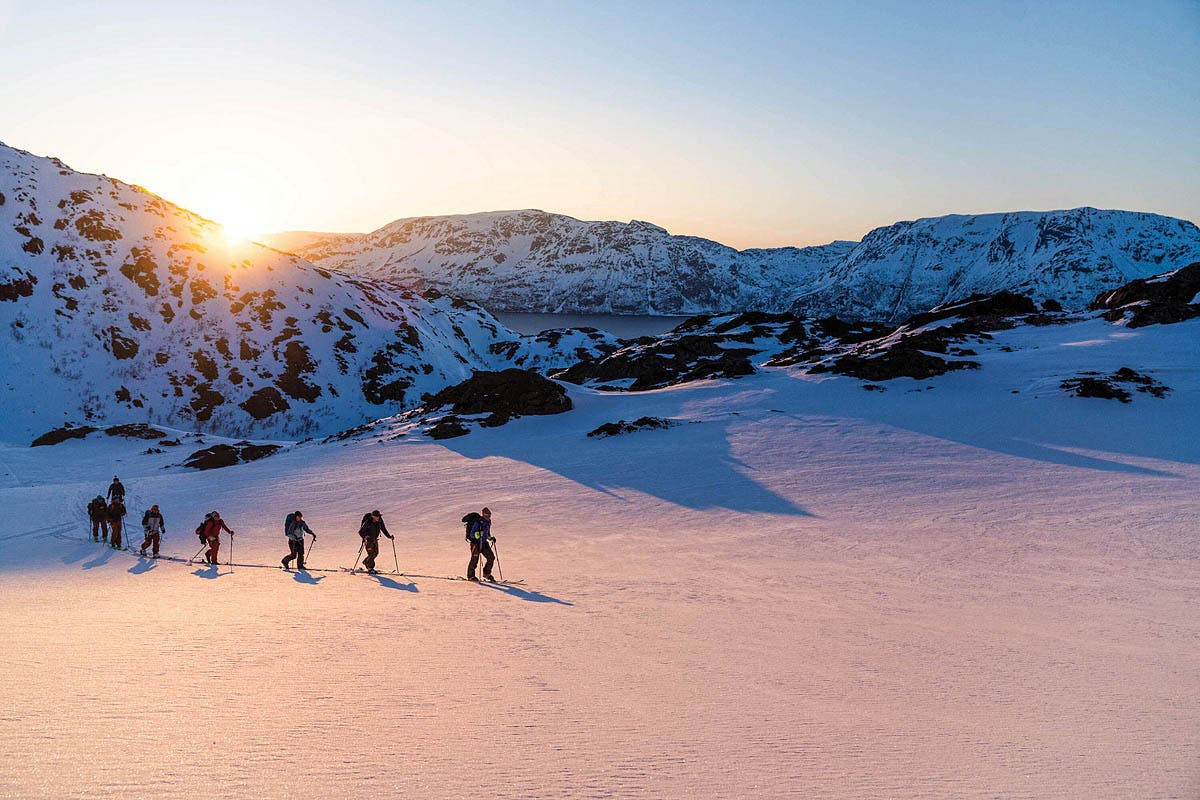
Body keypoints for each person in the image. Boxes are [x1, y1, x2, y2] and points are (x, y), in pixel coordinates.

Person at [465, 507, 496, 582]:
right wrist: (478, 534)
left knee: (491, 557)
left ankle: (487, 573)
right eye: (486, 515)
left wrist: (490, 538)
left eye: (489, 515)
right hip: (475, 543)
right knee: (474, 559)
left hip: (484, 543)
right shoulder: (478, 522)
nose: (488, 517)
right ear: (483, 515)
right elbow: (472, 534)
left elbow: (487, 533)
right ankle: (471, 576)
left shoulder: (488, 522)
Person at [357, 510, 393, 574]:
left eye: (379, 516)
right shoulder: (368, 522)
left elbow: (383, 529)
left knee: (376, 553)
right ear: (372, 516)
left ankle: (366, 562)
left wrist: (389, 536)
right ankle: (370, 568)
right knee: (371, 554)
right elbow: (360, 532)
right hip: (368, 541)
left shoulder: (379, 521)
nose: (378, 517)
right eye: (376, 516)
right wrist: (365, 537)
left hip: (374, 539)